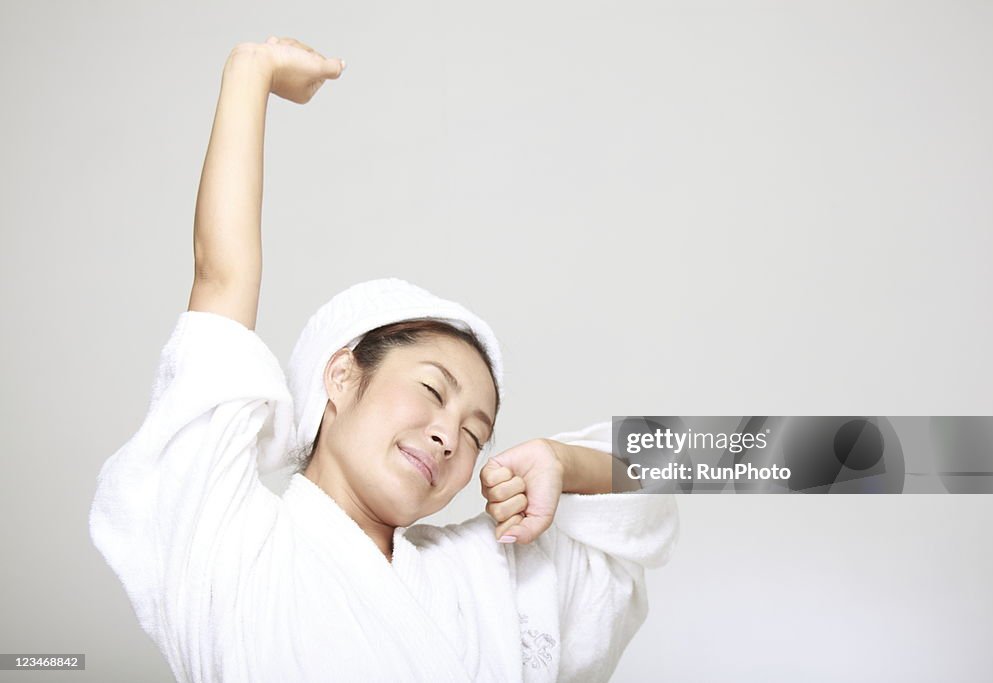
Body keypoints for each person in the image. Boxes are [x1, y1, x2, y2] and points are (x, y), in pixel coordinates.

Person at [90, 36, 678, 683]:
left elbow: (674, 484)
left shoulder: (486, 570)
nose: (450, 435)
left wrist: (566, 463)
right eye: (432, 389)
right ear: (342, 375)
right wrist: (250, 74)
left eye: (477, 432)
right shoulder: (229, 543)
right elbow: (221, 278)